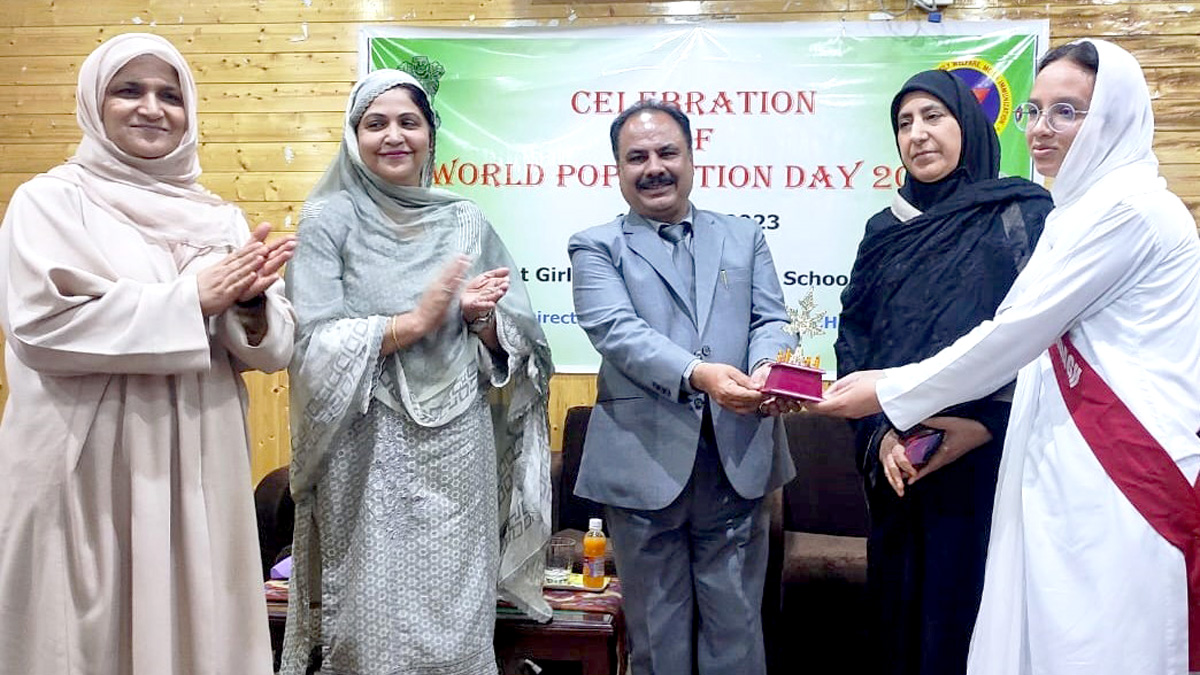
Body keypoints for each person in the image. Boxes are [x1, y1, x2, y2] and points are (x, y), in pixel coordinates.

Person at [814, 39, 1200, 675]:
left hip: (1114, 461)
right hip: (1036, 457)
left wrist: (895, 394)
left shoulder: (1120, 211)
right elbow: (866, 330)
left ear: (1113, 114)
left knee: (1106, 641)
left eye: (1066, 111)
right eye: (1034, 110)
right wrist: (884, 428)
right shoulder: (1077, 213)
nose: (1042, 128)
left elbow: (1013, 335)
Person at [0, 33, 295, 675]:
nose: (152, 109)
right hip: (88, 467)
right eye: (128, 91)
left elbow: (272, 350)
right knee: (85, 637)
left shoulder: (220, 220)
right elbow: (41, 327)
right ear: (93, 103)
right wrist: (192, 299)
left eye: (171, 95)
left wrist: (249, 305)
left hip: (195, 465)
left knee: (196, 628)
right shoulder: (50, 202)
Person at [281, 68, 553, 675]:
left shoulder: (465, 220)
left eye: (409, 122)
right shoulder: (327, 219)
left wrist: (481, 320)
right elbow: (310, 345)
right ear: (354, 136)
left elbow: (521, 345)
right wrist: (415, 322)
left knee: (456, 611)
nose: (394, 136)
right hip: (364, 443)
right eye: (375, 123)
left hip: (457, 446)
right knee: (370, 612)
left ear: (430, 135)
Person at [835, 69, 1052, 675]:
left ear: (970, 127)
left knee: (973, 622)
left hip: (990, 462)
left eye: (934, 117)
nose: (917, 134)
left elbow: (1040, 338)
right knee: (898, 619)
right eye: (904, 123)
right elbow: (855, 340)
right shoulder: (884, 231)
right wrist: (880, 435)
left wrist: (980, 428)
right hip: (901, 464)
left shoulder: (1020, 215)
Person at [568, 100, 796, 675]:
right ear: (617, 168)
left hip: (736, 460)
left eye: (667, 152)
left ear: (692, 158)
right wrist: (701, 375)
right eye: (637, 157)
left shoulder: (744, 236)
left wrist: (766, 368)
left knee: (737, 634)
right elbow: (616, 331)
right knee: (656, 639)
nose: (654, 168)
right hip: (642, 466)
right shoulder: (595, 245)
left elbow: (771, 319)